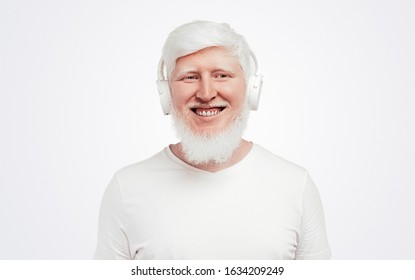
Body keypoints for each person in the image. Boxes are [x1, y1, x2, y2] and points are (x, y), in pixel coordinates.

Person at [94, 21, 331, 260]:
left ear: (250, 89)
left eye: (221, 75)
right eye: (189, 77)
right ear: (166, 94)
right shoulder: (127, 187)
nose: (206, 93)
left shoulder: (295, 185)